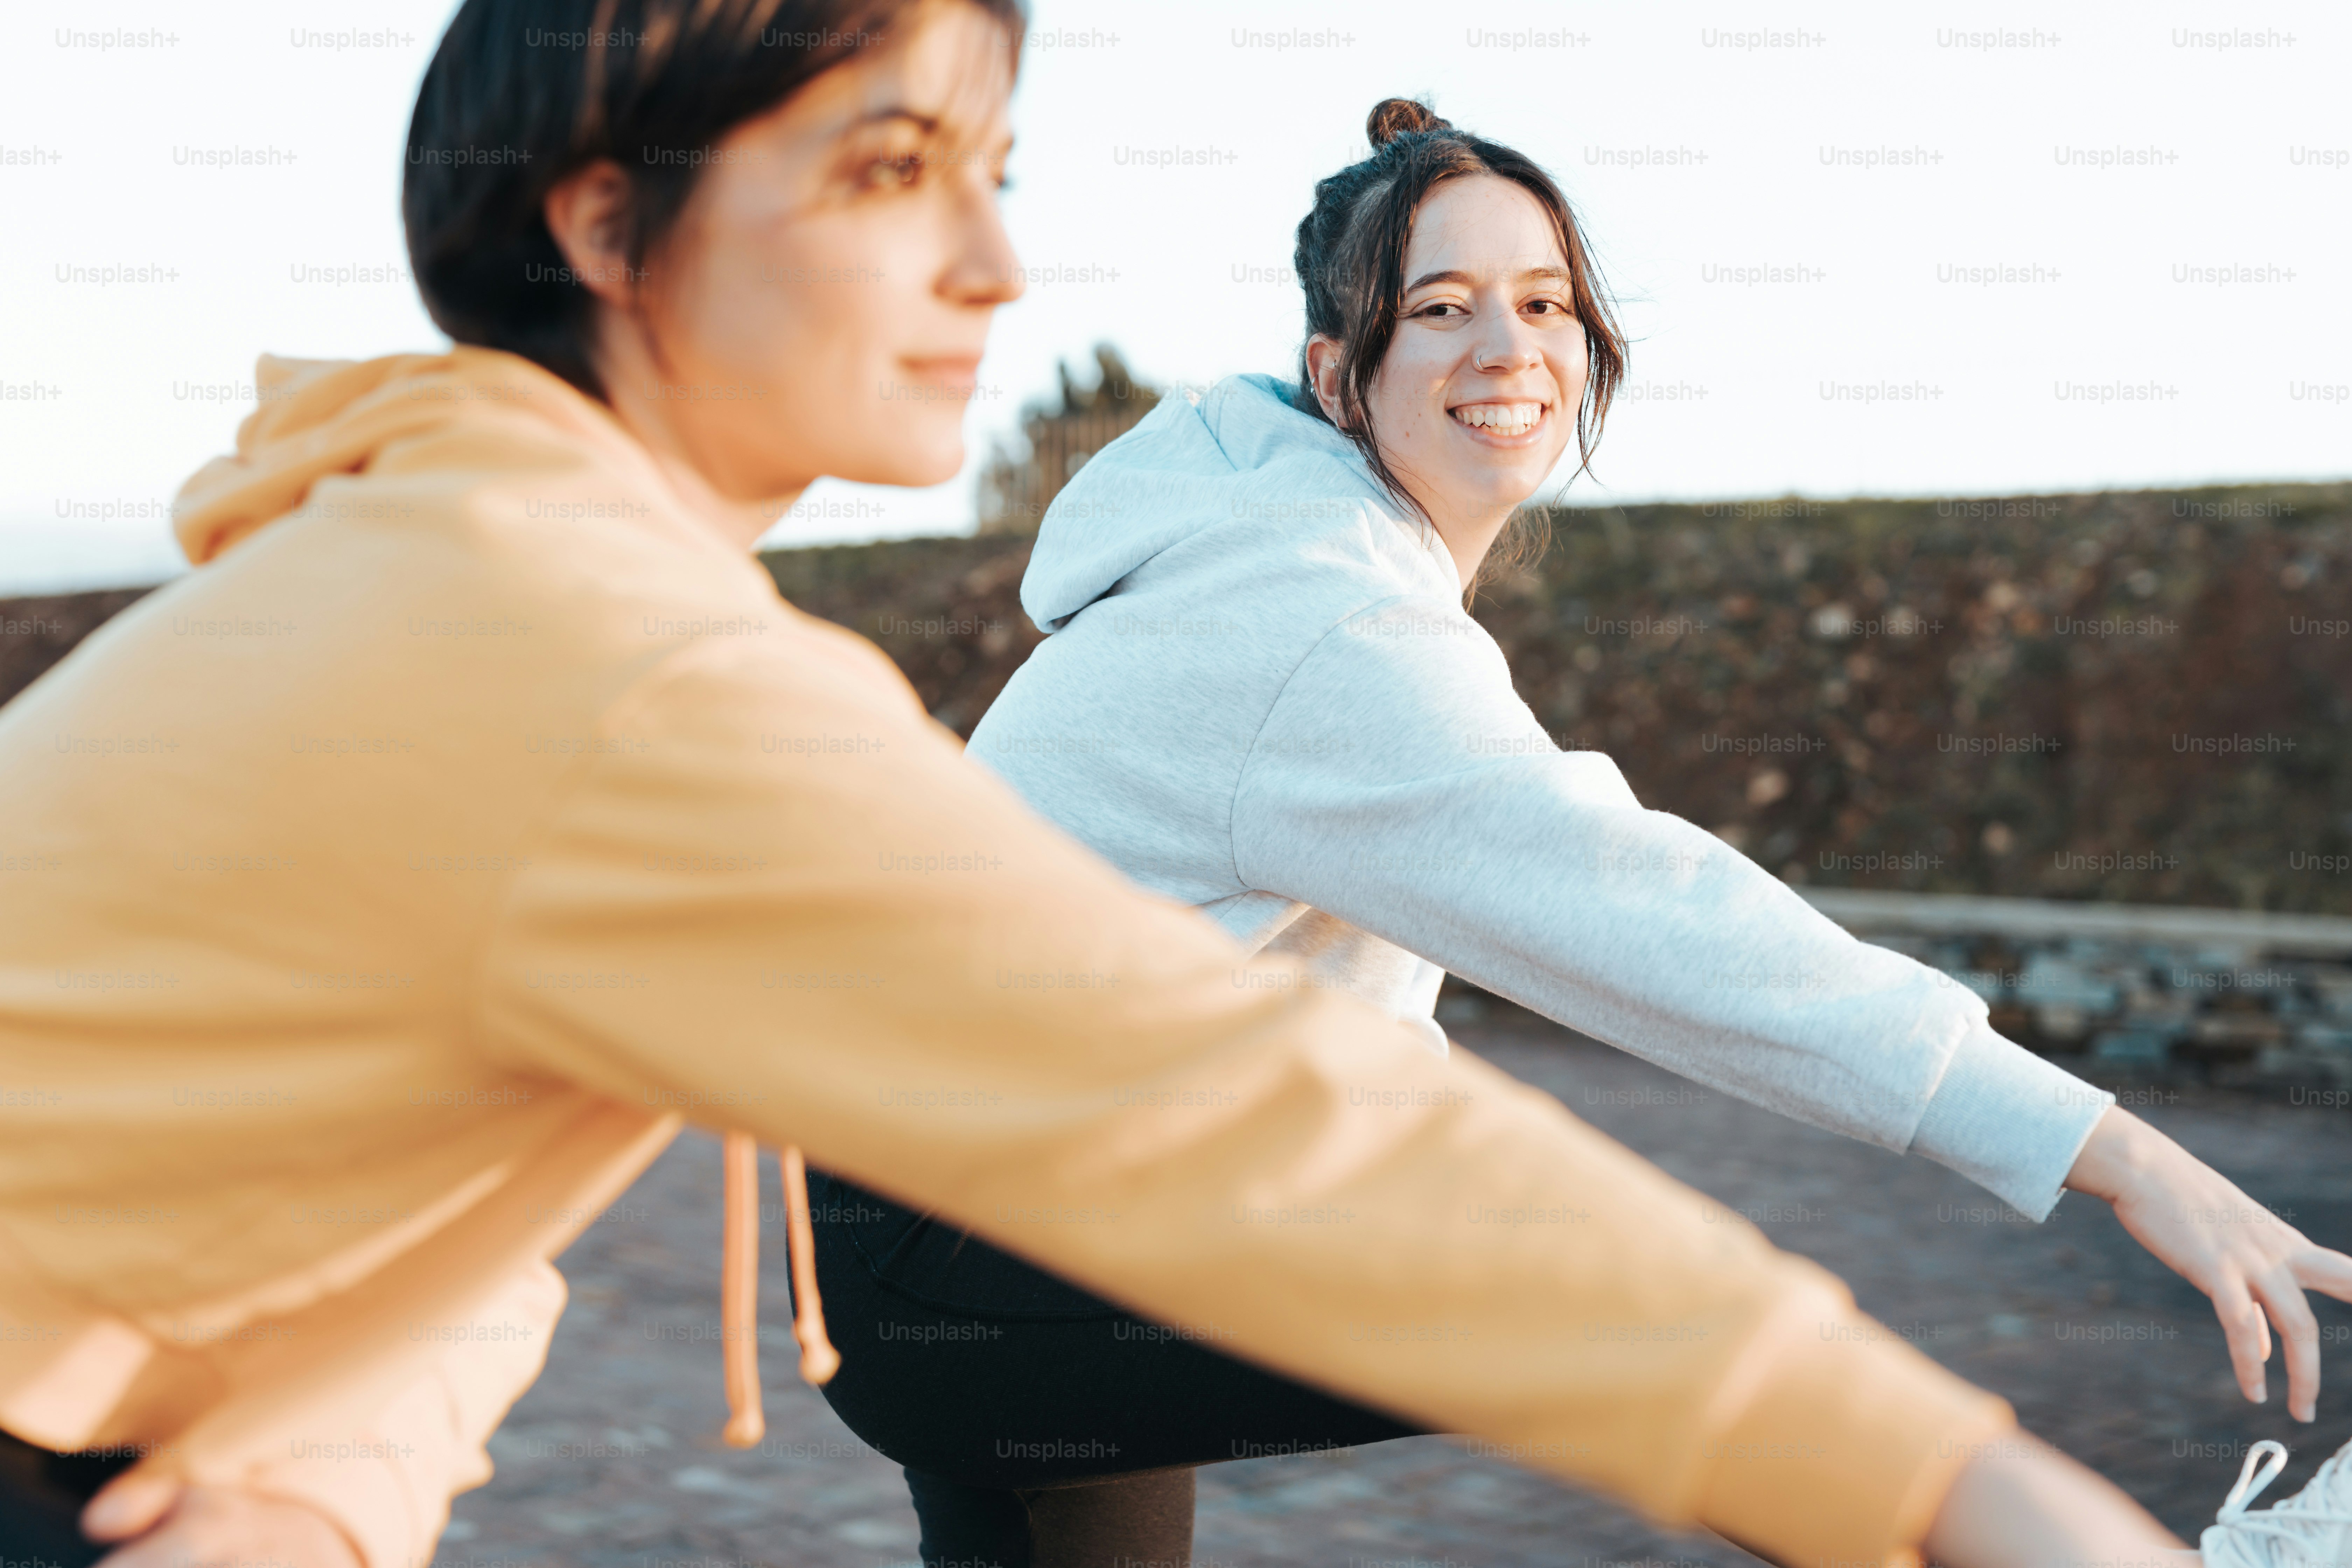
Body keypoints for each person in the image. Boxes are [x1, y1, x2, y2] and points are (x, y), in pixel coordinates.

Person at [0, 10, 2287, 1568]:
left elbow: (418, 1150)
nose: (996, 264)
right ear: (607, 226)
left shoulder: (485, 561)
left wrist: (308, 1475)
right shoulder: (601, 650)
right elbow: (1293, 1109)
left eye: (991, 172)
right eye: (894, 172)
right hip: (974, 1238)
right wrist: (1979, 1489)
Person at [803, 97, 2352, 1565]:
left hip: (971, 1204)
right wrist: (2122, 1153)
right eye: (1443, 307)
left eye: (1546, 302)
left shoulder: (1285, 550)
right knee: (1683, 1332)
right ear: (1339, 368)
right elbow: (1666, 924)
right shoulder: (1319, 619)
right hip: (975, 1240)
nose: (1510, 346)